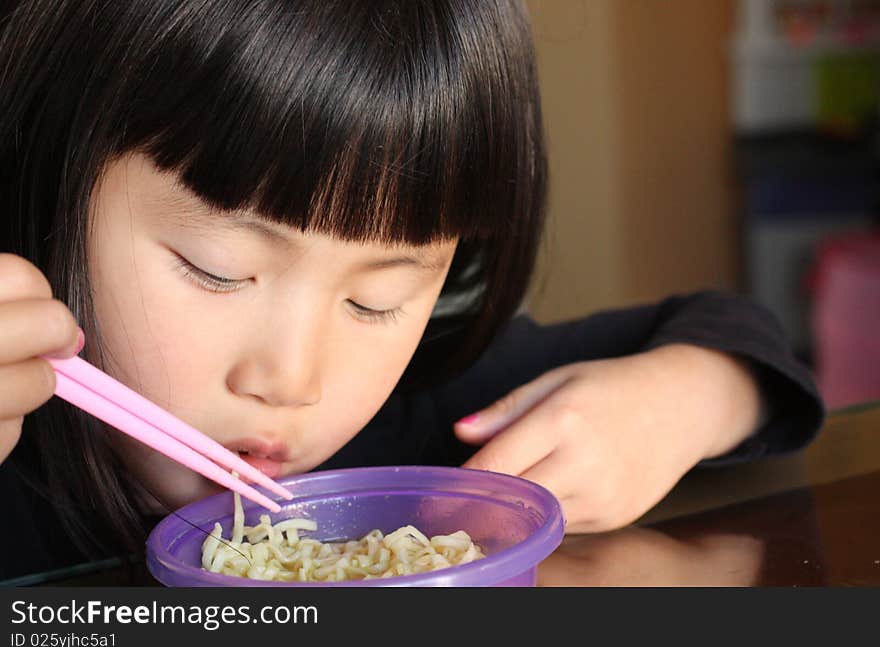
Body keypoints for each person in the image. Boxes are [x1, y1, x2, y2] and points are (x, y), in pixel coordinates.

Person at [0, 0, 823, 582]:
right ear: (49, 179)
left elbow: (734, 334)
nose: (294, 379)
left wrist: (682, 401)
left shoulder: (431, 420)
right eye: (219, 269)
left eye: (377, 300)